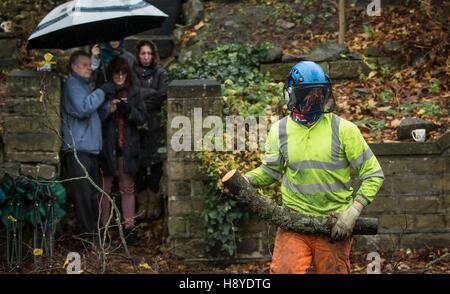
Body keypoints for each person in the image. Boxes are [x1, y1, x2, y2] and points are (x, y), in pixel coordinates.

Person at [244, 61, 385, 274]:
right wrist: (245, 180)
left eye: (320, 93)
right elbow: (270, 171)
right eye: (310, 93)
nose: (315, 98)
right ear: (293, 94)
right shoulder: (279, 130)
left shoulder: (344, 130)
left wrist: (353, 212)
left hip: (334, 225)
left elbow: (374, 174)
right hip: (293, 222)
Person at [60, 50, 113, 238]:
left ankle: (95, 238)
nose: (89, 68)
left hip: (88, 150)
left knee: (92, 197)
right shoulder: (72, 84)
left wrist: (108, 106)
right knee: (84, 199)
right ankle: (90, 240)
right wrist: (101, 91)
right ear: (74, 67)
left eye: (89, 64)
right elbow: (83, 109)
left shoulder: (83, 86)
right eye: (84, 65)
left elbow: (92, 116)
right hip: (77, 151)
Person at [98, 57, 146, 246]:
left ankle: (129, 228)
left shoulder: (134, 92)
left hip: (127, 148)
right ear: (111, 73)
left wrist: (128, 110)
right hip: (106, 148)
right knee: (104, 190)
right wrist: (108, 110)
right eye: (116, 73)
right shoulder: (104, 91)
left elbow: (142, 117)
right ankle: (103, 230)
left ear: (127, 74)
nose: (119, 76)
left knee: (127, 189)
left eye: (123, 73)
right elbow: (94, 117)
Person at [132, 40, 168, 220]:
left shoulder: (161, 73)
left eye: (149, 54)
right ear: (138, 55)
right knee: (137, 167)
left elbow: (162, 95)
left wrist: (141, 98)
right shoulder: (132, 73)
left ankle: (154, 204)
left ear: (153, 55)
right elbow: (131, 94)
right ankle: (142, 205)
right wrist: (148, 94)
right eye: (142, 53)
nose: (146, 57)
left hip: (155, 127)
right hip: (136, 126)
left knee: (155, 167)